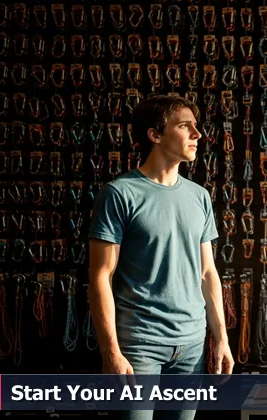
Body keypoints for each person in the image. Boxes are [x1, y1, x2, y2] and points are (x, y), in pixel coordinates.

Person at [87, 95, 234, 420]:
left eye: (196, 127)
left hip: (192, 344)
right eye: (185, 126)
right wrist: (111, 352)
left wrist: (221, 338)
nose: (198, 135)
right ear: (155, 135)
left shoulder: (200, 197)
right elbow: (100, 277)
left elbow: (208, 273)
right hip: (139, 344)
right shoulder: (119, 194)